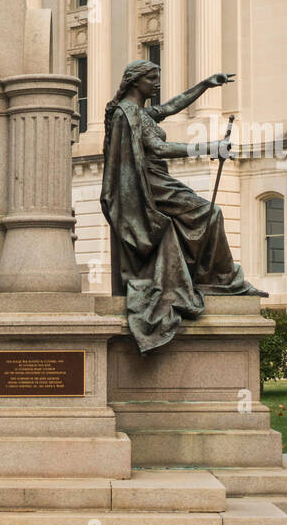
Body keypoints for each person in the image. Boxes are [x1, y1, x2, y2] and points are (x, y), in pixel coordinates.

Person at [101, 60, 265, 353]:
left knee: (205, 216)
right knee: (210, 213)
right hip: (148, 186)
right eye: (152, 78)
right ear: (136, 81)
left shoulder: (140, 112)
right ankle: (223, 280)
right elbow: (160, 149)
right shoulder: (128, 113)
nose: (156, 84)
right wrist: (209, 148)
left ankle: (211, 277)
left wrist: (205, 85)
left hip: (157, 180)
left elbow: (169, 108)